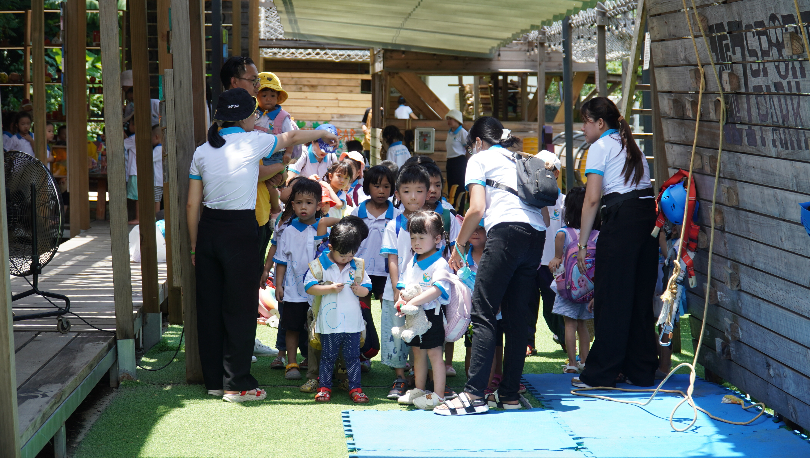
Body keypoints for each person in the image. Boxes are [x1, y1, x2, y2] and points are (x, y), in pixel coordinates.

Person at [186, 88, 338, 402]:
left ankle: (215, 381)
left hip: (208, 231)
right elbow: (293, 138)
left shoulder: (202, 150)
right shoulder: (253, 140)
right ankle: (238, 384)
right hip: (240, 231)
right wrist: (323, 131)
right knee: (240, 308)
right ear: (243, 116)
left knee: (210, 309)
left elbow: (192, 206)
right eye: (255, 112)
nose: (258, 117)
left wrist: (193, 246)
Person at [439, 116, 550, 415]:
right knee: (516, 318)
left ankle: (474, 395)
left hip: (506, 234)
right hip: (535, 237)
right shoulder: (520, 158)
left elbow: (476, 209)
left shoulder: (480, 158)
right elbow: (547, 217)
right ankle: (509, 395)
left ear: (477, 141)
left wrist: (459, 245)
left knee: (484, 312)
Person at [572, 97, 658, 389]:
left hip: (622, 221)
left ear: (600, 123)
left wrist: (583, 244)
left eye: (586, 121)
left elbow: (592, 198)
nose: (582, 127)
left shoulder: (600, 147)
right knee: (638, 297)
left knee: (612, 297)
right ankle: (640, 370)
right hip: (646, 220)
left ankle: (602, 374)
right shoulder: (631, 147)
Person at [305, 216, 373, 403]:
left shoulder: (357, 265)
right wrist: (329, 288)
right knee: (327, 356)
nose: (347, 258)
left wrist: (362, 290)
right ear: (331, 247)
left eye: (351, 254)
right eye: (342, 255)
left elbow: (368, 286)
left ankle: (355, 388)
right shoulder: (320, 264)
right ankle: (324, 387)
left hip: (352, 323)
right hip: (329, 323)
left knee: (352, 358)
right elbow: (309, 286)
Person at [272, 178, 334, 381]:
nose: (303, 207)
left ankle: (317, 366)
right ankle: (291, 363)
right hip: (293, 290)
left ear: (318, 205)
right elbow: (281, 260)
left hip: (318, 290)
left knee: (318, 328)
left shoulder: (323, 229)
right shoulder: (287, 231)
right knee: (292, 327)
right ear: (292, 205)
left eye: (309, 202)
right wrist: (279, 284)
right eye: (299, 203)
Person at [380, 165, 431, 400]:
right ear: (398, 195)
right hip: (398, 292)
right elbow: (392, 260)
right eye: (407, 190)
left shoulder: (433, 222)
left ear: (428, 193)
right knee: (397, 335)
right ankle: (400, 377)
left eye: (419, 190)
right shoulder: (393, 225)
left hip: (425, 292)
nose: (413, 196)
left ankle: (421, 379)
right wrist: (395, 288)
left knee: (423, 335)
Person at [394, 211, 453, 409]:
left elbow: (438, 290)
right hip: (413, 315)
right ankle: (419, 389)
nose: (416, 242)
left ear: (437, 239)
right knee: (417, 352)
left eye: (421, 237)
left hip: (431, 316)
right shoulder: (412, 260)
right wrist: (401, 300)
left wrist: (414, 302)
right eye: (413, 237)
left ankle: (438, 394)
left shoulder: (440, 262)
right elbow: (404, 285)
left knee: (435, 354)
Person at [350, 164, 399, 371]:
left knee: (391, 313)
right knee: (362, 313)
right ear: (367, 187)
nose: (381, 191)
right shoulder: (356, 212)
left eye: (386, 186)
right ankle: (364, 354)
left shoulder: (397, 214)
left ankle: (396, 356)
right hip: (361, 271)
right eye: (376, 186)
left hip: (388, 272)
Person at [548, 187, 595, 374]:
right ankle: (585, 361)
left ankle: (572, 363)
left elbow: (557, 260)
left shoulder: (563, 234)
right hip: (589, 290)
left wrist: (554, 261)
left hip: (568, 288)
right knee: (583, 324)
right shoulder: (596, 234)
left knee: (570, 324)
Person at [529, 151, 566, 356]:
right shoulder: (529, 200)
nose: (543, 175)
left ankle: (563, 337)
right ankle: (528, 342)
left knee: (554, 305)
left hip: (554, 263)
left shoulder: (564, 202)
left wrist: (561, 257)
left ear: (557, 173)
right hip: (532, 260)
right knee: (527, 303)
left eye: (548, 171)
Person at [254, 72, 295, 218]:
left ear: (278, 97)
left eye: (272, 95)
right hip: (257, 154)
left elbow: (291, 137)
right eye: (264, 95)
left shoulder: (282, 117)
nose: (268, 99)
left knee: (270, 184)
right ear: (257, 96)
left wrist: (288, 154)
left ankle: (276, 209)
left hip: (274, 155)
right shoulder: (254, 114)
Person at [444, 109, 469, 198]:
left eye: (451, 119)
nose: (449, 121)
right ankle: (453, 208)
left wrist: (468, 162)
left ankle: (460, 209)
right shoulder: (450, 133)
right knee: (451, 185)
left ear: (457, 120)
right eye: (448, 119)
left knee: (459, 187)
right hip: (450, 161)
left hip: (459, 161)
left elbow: (468, 148)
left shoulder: (462, 132)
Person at [124, 119, 140, 224]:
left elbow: (122, 143)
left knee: (137, 196)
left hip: (134, 171)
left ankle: (138, 218)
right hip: (138, 171)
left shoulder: (133, 138)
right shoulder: (137, 138)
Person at [151, 124, 164, 214]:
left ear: (156, 137)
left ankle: (156, 217)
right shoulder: (163, 148)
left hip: (157, 180)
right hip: (161, 179)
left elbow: (148, 158)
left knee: (156, 200)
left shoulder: (158, 149)